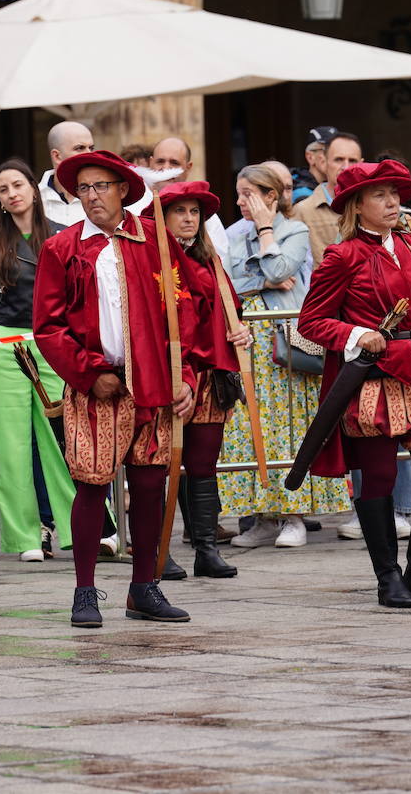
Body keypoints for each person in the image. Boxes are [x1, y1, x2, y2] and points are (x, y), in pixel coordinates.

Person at [296, 159, 411, 609]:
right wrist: (358, 334)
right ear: (357, 206)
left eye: (396, 193)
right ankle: (387, 576)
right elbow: (311, 322)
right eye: (380, 194)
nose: (393, 201)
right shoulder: (343, 255)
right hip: (372, 380)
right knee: (377, 476)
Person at [33, 149, 198, 628]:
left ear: (123, 189)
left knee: (150, 486)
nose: (91, 197)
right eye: (83, 188)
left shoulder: (156, 241)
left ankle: (144, 587)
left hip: (152, 385)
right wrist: (87, 372)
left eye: (101, 186)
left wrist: (184, 376)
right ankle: (85, 592)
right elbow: (47, 326)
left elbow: (183, 313)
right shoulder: (61, 248)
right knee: (90, 486)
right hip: (95, 386)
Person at [224, 165, 350, 548]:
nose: (242, 201)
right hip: (249, 340)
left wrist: (265, 236)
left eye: (249, 193)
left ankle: (294, 515)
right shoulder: (233, 234)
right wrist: (264, 279)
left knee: (290, 426)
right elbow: (229, 280)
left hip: (285, 341)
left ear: (270, 196)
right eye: (239, 193)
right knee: (252, 428)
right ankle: (263, 516)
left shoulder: (293, 230)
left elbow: (282, 266)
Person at [0, 158, 76, 562]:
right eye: (2, 189)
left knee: (65, 441)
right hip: (5, 343)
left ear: (33, 187)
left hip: (52, 342)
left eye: (17, 185)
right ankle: (25, 537)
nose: (12, 194)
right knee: (10, 446)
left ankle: (84, 528)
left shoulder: (64, 238)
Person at [147, 181, 251, 577]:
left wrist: (239, 329)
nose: (189, 219)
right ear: (163, 218)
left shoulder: (211, 260)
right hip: (169, 375)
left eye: (195, 212)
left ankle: (206, 550)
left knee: (204, 465)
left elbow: (229, 311)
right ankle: (159, 552)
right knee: (159, 464)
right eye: (180, 212)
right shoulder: (152, 260)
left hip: (210, 377)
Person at [133, 138, 228, 256]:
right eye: (160, 161)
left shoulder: (208, 218)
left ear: (188, 167)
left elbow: (220, 262)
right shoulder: (132, 208)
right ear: (151, 163)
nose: (166, 168)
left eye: (174, 163)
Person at [294, 131, 364, 266]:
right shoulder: (302, 211)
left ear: (361, 164)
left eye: (352, 161)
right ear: (323, 162)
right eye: (338, 159)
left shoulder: (374, 208)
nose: (346, 167)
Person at [38, 120, 95, 227]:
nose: (89, 154)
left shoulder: (103, 194)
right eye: (80, 148)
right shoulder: (33, 199)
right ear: (57, 156)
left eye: (91, 148)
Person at [291, 126, 337, 203]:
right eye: (327, 150)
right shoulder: (301, 193)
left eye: (336, 150)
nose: (334, 155)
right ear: (310, 157)